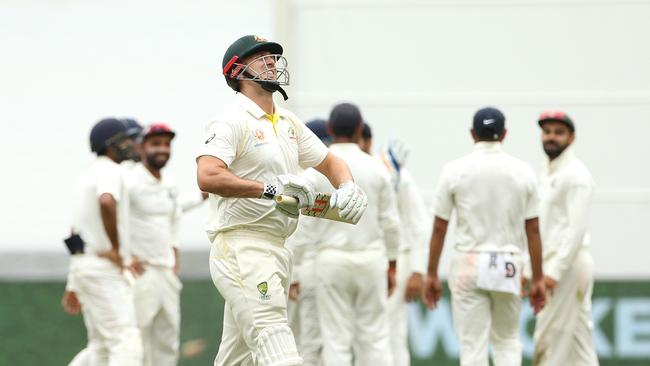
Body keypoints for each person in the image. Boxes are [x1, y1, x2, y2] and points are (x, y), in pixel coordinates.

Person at [196, 35, 368, 366]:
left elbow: (330, 162)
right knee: (278, 348)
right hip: (241, 246)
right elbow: (208, 175)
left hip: (278, 246)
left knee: (239, 357)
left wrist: (346, 186)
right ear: (238, 70)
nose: (272, 62)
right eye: (260, 57)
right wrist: (269, 189)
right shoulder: (231, 120)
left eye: (273, 57)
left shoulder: (287, 122)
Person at [422, 107, 546, 366]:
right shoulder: (523, 171)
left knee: (472, 346)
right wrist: (538, 279)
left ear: (472, 133)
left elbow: (439, 228)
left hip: (469, 261)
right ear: (504, 134)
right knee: (507, 341)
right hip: (509, 261)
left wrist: (431, 274)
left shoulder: (454, 170)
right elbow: (533, 229)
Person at [296, 103, 400, 366]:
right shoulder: (378, 169)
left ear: (330, 129)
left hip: (330, 261)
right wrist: (392, 265)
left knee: (336, 340)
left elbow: (302, 227)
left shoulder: (315, 171)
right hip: (371, 258)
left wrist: (294, 271)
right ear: (358, 129)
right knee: (375, 338)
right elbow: (390, 222)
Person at [62, 118, 142, 366]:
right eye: (126, 140)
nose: (131, 145)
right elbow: (106, 201)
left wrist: (74, 281)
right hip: (102, 269)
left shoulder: (87, 176)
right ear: (112, 145)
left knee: (101, 347)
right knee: (125, 342)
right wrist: (116, 249)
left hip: (86, 267)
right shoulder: (111, 170)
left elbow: (75, 236)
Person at [532, 111, 599, 366]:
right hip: (556, 265)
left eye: (558, 132)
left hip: (567, 266)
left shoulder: (576, 175)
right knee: (579, 344)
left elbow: (576, 230)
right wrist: (533, 269)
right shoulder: (547, 173)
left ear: (571, 138)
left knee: (551, 339)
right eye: (547, 131)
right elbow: (545, 226)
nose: (551, 137)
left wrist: (553, 273)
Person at [360, 125, 429, 366]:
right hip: (366, 259)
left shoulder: (394, 173)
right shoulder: (352, 171)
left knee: (390, 330)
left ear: (367, 142)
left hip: (397, 259)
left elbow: (418, 224)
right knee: (367, 332)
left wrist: (418, 271)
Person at [125, 123, 183, 366]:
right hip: (141, 272)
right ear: (141, 147)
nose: (162, 149)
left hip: (166, 273)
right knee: (136, 338)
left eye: (166, 144)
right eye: (156, 143)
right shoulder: (129, 180)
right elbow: (113, 219)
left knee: (168, 340)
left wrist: (175, 257)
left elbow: (173, 221)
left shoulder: (169, 183)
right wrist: (125, 257)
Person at [285, 118, 329, 365]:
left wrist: (295, 275)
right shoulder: (312, 176)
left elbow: (302, 231)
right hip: (308, 269)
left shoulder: (309, 176)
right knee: (308, 340)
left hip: (306, 269)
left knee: (306, 341)